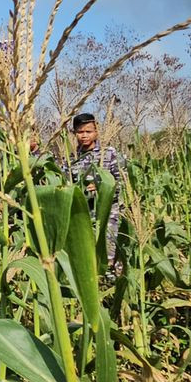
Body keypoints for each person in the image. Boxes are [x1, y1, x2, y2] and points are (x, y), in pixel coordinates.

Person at [68, 112, 124, 268]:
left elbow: (122, 182)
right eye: (80, 132)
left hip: (107, 211)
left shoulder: (109, 153)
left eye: (88, 131)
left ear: (96, 132)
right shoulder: (71, 156)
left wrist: (102, 187)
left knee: (109, 249)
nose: (84, 136)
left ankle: (112, 279)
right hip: (83, 213)